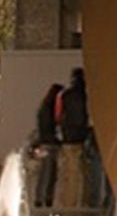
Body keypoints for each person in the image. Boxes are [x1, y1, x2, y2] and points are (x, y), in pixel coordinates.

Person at [56, 69, 90, 208]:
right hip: (83, 137)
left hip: (68, 138)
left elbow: (58, 116)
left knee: (70, 174)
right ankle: (84, 201)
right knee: (85, 174)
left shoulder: (65, 95)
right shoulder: (86, 95)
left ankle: (69, 202)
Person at [33, 83, 62, 208]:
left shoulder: (43, 109)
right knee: (49, 173)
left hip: (44, 143)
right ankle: (45, 198)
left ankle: (41, 198)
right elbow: (49, 129)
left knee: (44, 172)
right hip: (50, 144)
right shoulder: (49, 111)